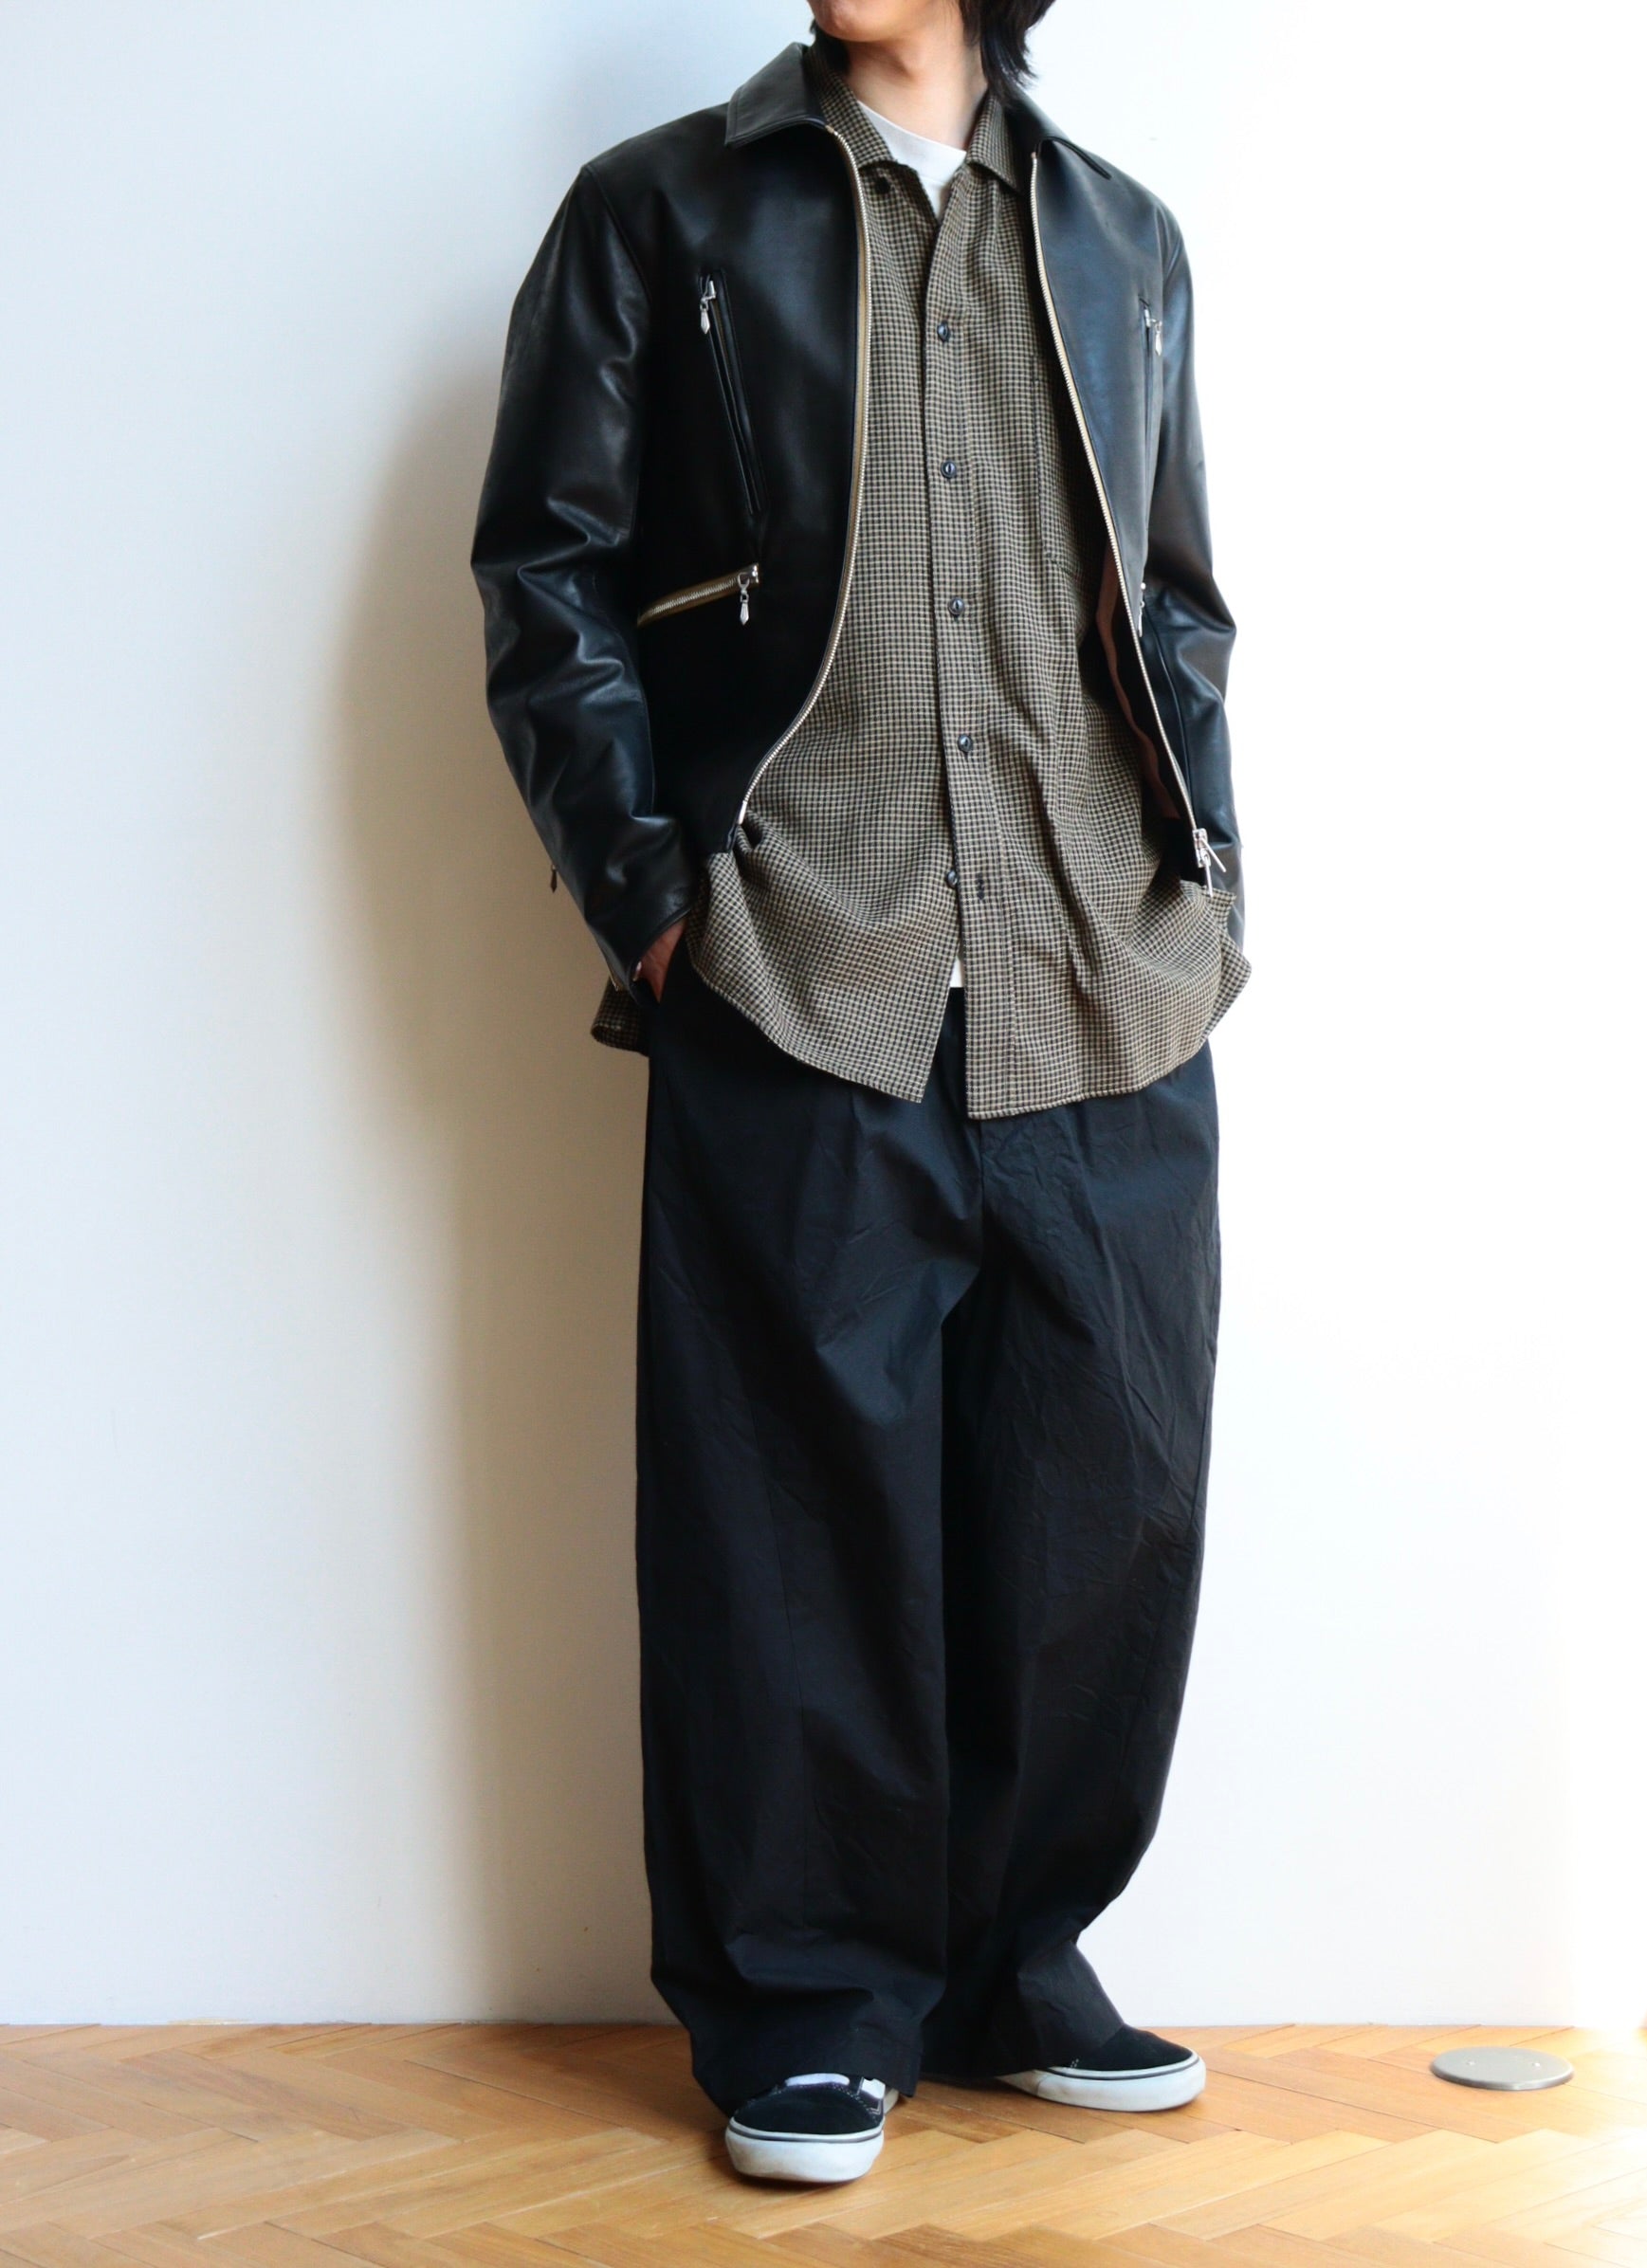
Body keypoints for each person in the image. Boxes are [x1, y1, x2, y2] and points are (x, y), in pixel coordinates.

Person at [471, 0, 1248, 2187]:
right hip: (800, 959)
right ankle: (808, 1998)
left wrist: (1205, 888)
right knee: (786, 1520)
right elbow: (546, 577)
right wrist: (654, 905)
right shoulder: (657, 214)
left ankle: (1017, 1962)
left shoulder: (1123, 237)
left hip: (1098, 976)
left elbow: (1174, 612)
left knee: (1098, 1502)